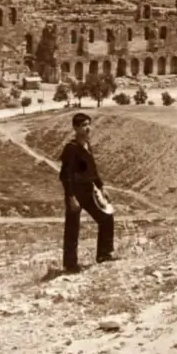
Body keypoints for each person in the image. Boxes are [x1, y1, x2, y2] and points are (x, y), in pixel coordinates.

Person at [59, 113, 116, 273]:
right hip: (75, 192)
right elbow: (65, 176)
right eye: (83, 125)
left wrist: (101, 187)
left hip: (88, 190)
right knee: (72, 227)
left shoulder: (87, 145)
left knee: (106, 218)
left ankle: (104, 254)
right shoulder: (71, 149)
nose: (88, 128)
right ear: (75, 128)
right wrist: (71, 197)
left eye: (88, 124)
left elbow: (93, 170)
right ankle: (70, 265)